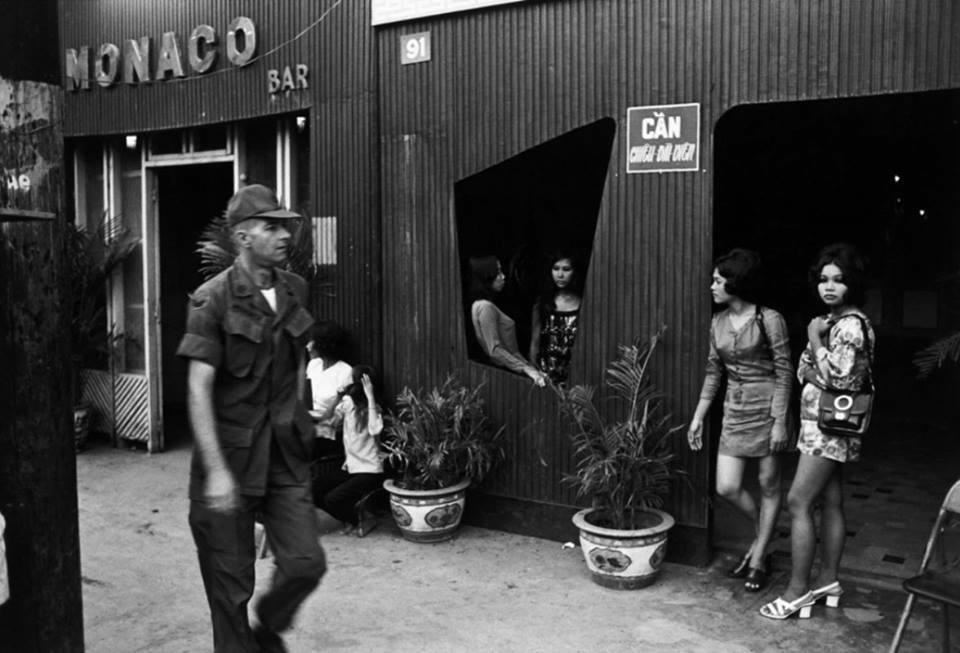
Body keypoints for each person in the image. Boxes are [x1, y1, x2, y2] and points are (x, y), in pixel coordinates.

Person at [177, 184, 325, 653]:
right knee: (230, 586)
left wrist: (303, 414)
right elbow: (198, 388)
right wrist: (217, 472)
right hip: (231, 459)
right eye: (272, 226)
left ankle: (270, 625)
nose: (285, 235)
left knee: (305, 562)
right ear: (243, 237)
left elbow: (298, 357)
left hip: (284, 453)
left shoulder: (295, 289)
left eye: (285, 226)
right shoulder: (212, 299)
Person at [761, 243, 875, 620]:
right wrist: (813, 364)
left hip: (827, 428)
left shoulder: (850, 327)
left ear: (852, 285)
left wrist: (812, 339)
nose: (829, 287)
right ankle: (828, 580)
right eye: (824, 280)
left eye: (839, 281)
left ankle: (797, 592)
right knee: (831, 501)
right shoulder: (834, 322)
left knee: (797, 502)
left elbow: (835, 379)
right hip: (820, 424)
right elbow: (802, 370)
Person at [687, 249, 793, 593]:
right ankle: (768, 533)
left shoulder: (769, 318)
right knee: (727, 486)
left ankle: (760, 554)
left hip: (768, 408)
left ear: (737, 282)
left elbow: (784, 371)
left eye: (718, 280)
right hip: (734, 409)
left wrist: (779, 421)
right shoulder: (717, 321)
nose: (712, 285)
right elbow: (713, 371)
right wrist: (699, 417)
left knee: (769, 484)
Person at [312, 365, 385, 534]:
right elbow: (328, 422)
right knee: (314, 488)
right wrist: (337, 399)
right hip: (351, 467)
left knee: (332, 499)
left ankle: (361, 518)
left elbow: (375, 429)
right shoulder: (348, 404)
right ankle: (353, 517)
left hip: (370, 470)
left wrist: (371, 397)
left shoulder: (373, 408)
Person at [468, 255, 547, 386]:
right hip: (504, 372)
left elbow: (511, 351)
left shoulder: (480, 305)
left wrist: (532, 369)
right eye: (498, 273)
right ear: (487, 277)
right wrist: (526, 369)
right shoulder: (485, 307)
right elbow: (495, 350)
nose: (503, 277)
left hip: (509, 367)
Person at [529, 251, 582, 384]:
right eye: (556, 269)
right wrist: (534, 371)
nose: (560, 275)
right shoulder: (542, 303)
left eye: (566, 269)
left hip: (574, 375)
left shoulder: (583, 304)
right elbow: (535, 341)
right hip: (545, 374)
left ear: (574, 272)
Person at [305, 320, 354, 455]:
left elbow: (343, 412)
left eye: (312, 341)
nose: (308, 346)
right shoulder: (313, 365)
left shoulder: (345, 371)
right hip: (306, 423)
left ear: (323, 344)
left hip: (329, 431)